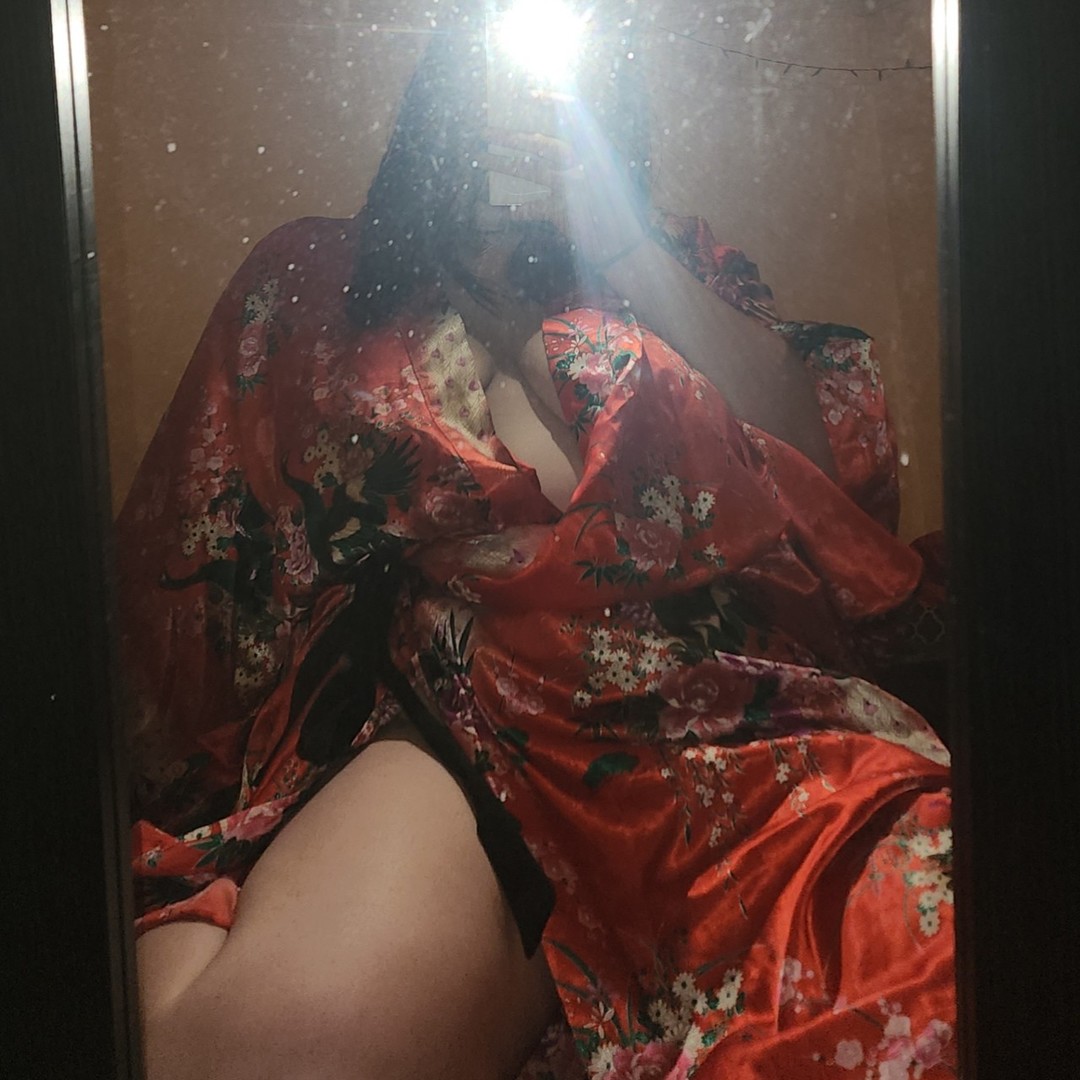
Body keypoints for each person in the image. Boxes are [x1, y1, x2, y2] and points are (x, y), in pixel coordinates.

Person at [118, 7, 954, 1078]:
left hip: (728, 720)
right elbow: (181, 583)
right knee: (237, 1049)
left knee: (931, 963)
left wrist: (621, 239)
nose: (526, 93)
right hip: (465, 713)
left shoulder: (671, 267)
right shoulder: (320, 280)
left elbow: (828, 473)